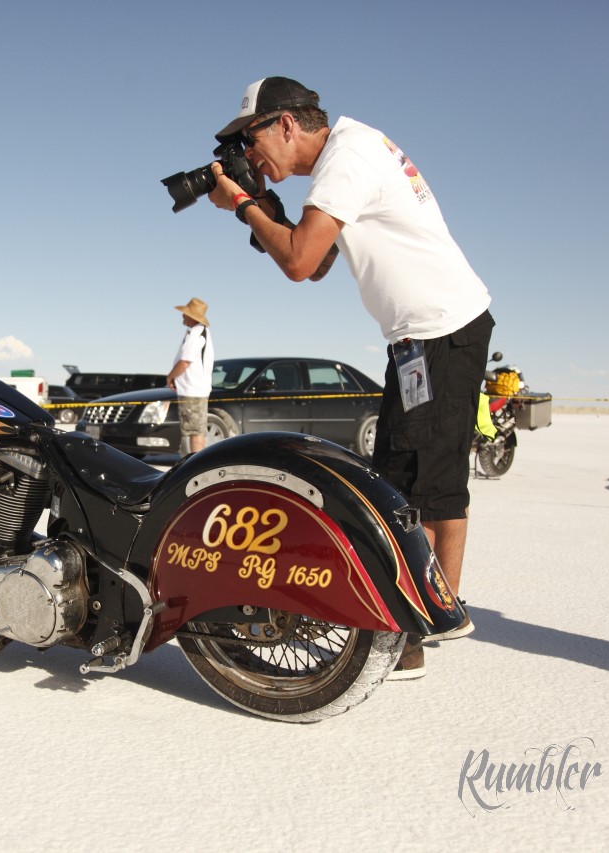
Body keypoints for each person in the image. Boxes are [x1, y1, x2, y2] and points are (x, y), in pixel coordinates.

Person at [205, 76, 494, 679]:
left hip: (442, 329)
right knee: (396, 478)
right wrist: (264, 209)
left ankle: (427, 621)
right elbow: (319, 264)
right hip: (418, 338)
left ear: (286, 123)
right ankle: (411, 621)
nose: (249, 155)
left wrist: (243, 204)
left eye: (249, 139)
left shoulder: (348, 154)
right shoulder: (349, 156)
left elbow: (299, 262)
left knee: (429, 480)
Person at [165, 298, 214, 456]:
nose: (183, 317)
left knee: (194, 431)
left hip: (192, 390)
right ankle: (194, 460)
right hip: (196, 388)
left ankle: (194, 462)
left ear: (192, 316)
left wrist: (170, 376)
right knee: (195, 429)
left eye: (185, 314)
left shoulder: (195, 334)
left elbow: (185, 361)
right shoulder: (202, 333)